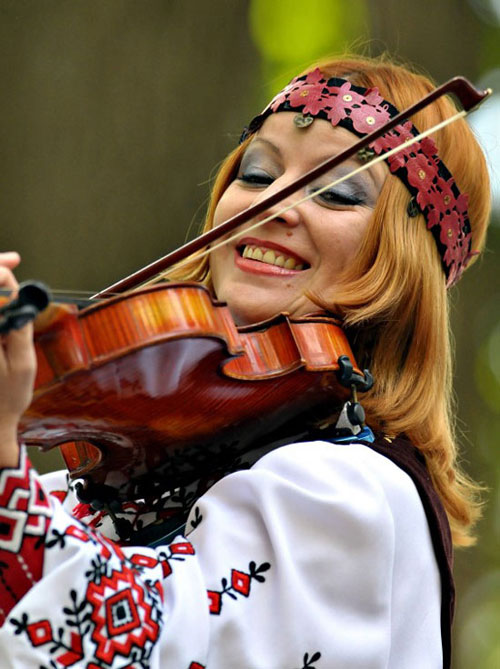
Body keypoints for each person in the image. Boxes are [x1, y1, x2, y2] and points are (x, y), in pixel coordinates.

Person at [0, 55, 491, 668]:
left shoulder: (351, 494)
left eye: (338, 192)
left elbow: (129, 645)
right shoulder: (106, 490)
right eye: (258, 174)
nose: (274, 203)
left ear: (402, 262)